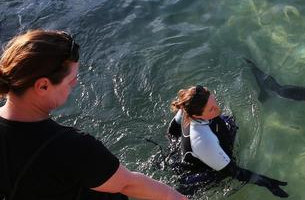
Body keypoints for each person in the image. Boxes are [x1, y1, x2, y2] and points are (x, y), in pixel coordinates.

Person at [0, 29, 187, 200]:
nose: (74, 85)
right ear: (42, 86)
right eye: (71, 80)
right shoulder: (72, 147)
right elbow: (129, 183)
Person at [168, 85, 289, 197]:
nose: (217, 108)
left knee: (229, 122)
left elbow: (172, 130)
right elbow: (234, 172)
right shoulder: (203, 140)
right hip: (198, 171)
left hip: (200, 144)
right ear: (197, 115)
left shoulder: (188, 106)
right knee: (223, 174)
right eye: (211, 109)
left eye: (214, 101)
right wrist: (267, 183)